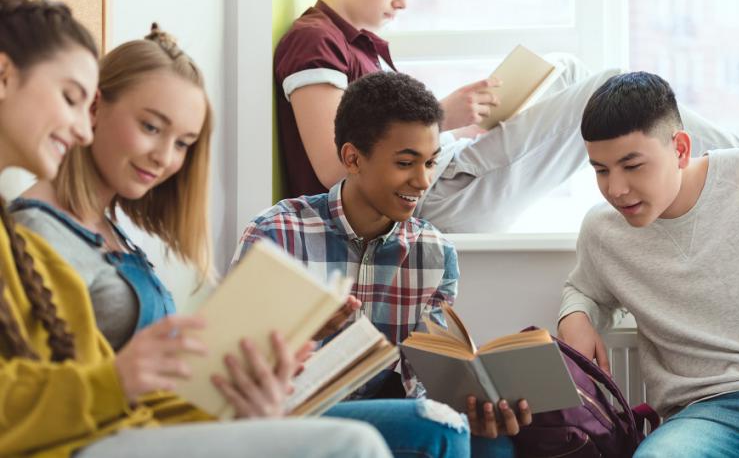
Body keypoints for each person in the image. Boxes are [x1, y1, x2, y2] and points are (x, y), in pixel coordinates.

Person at [12, 22, 470, 458]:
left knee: (450, 423)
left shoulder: (116, 238)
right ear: (93, 109)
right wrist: (121, 379)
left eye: (183, 143)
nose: (166, 157)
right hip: (110, 432)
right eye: (152, 127)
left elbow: (168, 393)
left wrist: (272, 376)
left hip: (163, 421)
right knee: (383, 437)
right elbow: (70, 391)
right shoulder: (37, 236)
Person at [236, 70, 530, 457]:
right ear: (353, 158)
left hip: (384, 409)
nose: (423, 181)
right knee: (434, 427)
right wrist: (306, 329)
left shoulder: (435, 252)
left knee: (495, 443)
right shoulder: (276, 234)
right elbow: (236, 366)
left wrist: (474, 404)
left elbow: (423, 377)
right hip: (291, 413)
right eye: (407, 163)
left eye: (430, 163)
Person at [556, 71, 739, 457]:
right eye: (601, 170)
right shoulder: (603, 231)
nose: (616, 189)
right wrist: (574, 314)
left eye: (632, 166)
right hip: (709, 415)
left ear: (679, 149)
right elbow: (583, 288)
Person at [274, 0, 739, 232]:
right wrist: (444, 116)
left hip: (444, 175)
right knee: (606, 85)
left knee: (567, 70)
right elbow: (336, 169)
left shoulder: (358, 47)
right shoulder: (315, 43)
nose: (404, 1)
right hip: (433, 199)